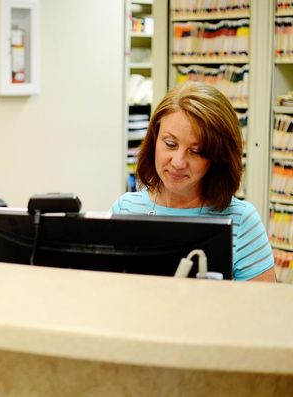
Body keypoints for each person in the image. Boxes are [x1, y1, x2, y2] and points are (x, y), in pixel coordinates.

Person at [112, 81, 275, 282]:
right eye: (170, 144)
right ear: (154, 140)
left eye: (196, 151)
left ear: (217, 158)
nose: (178, 162)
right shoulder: (126, 208)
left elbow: (263, 309)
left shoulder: (242, 220)